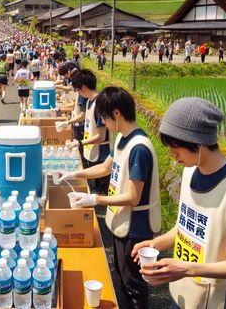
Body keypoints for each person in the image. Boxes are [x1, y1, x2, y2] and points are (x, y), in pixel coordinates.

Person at [132, 97, 226, 309]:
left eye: (176, 147)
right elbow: (187, 228)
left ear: (198, 141)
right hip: (187, 292)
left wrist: (188, 269)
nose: (172, 155)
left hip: (223, 301)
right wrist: (159, 243)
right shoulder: (190, 173)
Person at [60, 86, 161, 309]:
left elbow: (134, 197)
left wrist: (96, 200)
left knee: (133, 284)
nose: (103, 123)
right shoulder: (122, 139)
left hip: (135, 227)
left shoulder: (139, 148)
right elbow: (107, 167)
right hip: (121, 221)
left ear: (116, 113)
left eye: (104, 118)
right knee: (121, 278)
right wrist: (76, 174)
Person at [66, 70, 110, 194]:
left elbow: (101, 136)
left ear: (84, 88)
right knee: (93, 186)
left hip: (101, 154)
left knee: (100, 189)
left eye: (78, 90)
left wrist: (79, 143)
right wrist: (68, 122)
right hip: (92, 149)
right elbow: (85, 116)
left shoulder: (99, 104)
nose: (78, 93)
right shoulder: (90, 100)